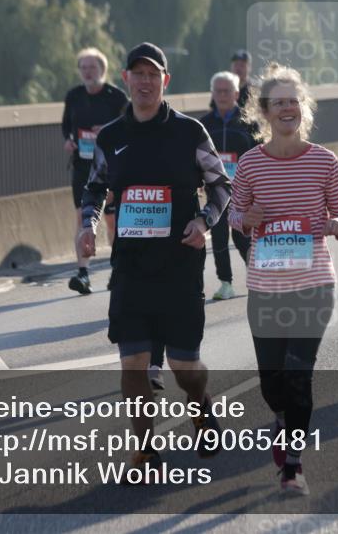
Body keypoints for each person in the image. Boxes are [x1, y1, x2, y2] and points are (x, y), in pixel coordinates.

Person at [79, 42, 232, 477]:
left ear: (165, 81)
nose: (145, 82)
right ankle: (144, 450)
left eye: (153, 74)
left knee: (184, 364)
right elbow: (94, 188)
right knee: (134, 364)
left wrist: (203, 222)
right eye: (137, 73)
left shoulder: (189, 132)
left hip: (180, 263)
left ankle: (201, 410)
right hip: (130, 265)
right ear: (125, 78)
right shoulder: (111, 137)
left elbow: (221, 185)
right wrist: (87, 224)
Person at [229, 64, 338, 494]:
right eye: (278, 102)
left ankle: (293, 465)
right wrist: (248, 219)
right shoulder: (249, 164)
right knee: (272, 381)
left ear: (304, 109)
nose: (287, 108)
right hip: (265, 286)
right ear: (264, 111)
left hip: (314, 284)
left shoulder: (324, 161)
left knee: (299, 377)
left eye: (293, 101)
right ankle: (280, 418)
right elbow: (234, 213)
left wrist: (336, 224)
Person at [61, 48, 129, 295]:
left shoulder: (116, 97)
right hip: (82, 167)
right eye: (84, 67)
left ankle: (116, 268)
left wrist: (108, 131)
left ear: (103, 70)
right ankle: (83, 274)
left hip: (109, 168)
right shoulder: (74, 96)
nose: (88, 72)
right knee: (82, 217)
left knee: (111, 221)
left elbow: (130, 128)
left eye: (93, 67)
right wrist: (68, 141)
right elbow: (66, 126)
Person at [200, 71, 256, 299]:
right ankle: (226, 283)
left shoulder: (249, 123)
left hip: (244, 190)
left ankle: (256, 276)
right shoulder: (203, 124)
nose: (222, 95)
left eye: (227, 91)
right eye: (218, 91)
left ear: (235, 93)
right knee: (220, 236)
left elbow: (260, 155)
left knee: (243, 236)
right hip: (215, 191)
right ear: (213, 93)